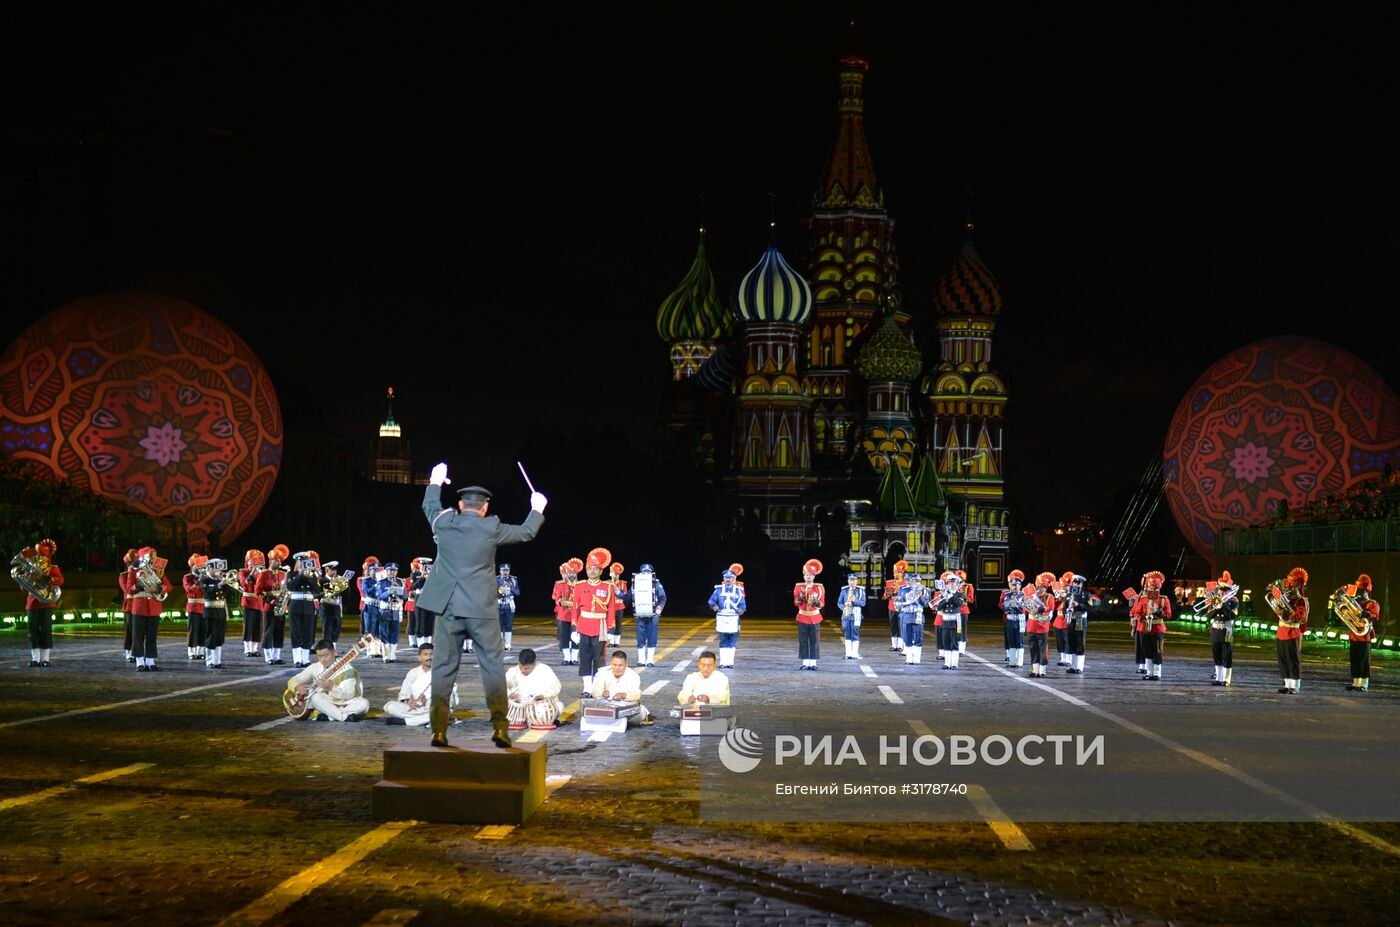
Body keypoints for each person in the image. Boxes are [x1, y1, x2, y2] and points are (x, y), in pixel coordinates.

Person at [419, 463, 546, 749]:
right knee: (492, 669)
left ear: (460, 504)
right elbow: (526, 533)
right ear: (485, 508)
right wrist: (537, 508)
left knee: (442, 669)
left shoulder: (445, 522)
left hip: (448, 608)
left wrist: (435, 481)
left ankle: (438, 731)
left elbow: (429, 504)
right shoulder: (491, 527)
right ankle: (500, 728)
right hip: (482, 610)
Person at [571, 548, 620, 693]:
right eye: (589, 568)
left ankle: (598, 687)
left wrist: (611, 630)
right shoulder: (579, 586)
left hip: (601, 626)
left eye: (595, 568)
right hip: (584, 625)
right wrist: (574, 629)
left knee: (599, 658)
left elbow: (611, 609)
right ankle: (587, 688)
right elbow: (575, 609)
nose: (592, 571)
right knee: (585, 657)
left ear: (600, 571)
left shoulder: (608, 587)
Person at [288, 639, 369, 722]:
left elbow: (349, 695)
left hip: (346, 703)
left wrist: (331, 687)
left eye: (326, 655)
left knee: (364, 703)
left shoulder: (347, 670)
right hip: (327, 701)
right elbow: (293, 680)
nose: (323, 660)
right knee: (316, 698)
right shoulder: (315, 667)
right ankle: (344, 717)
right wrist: (297, 686)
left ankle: (330, 716)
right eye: (319, 656)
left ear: (334, 652)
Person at [384, 643, 457, 726]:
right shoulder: (413, 673)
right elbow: (404, 693)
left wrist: (429, 699)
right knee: (390, 706)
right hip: (416, 708)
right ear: (419, 657)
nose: (429, 658)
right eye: (425, 655)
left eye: (431, 654)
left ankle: (406, 722)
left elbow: (449, 697)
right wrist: (408, 700)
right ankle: (427, 719)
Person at [126, 546, 171, 672]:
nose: (153, 559)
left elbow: (167, 585)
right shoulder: (133, 570)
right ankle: (140, 662)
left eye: (154, 556)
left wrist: (158, 589)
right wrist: (140, 585)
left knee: (152, 637)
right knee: (138, 636)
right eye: (151, 556)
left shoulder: (158, 570)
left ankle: (151, 661)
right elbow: (128, 589)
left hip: (154, 607)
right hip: (139, 606)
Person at [22, 538, 64, 668]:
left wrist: (46, 578)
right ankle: (36, 659)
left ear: (48, 557)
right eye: (39, 556)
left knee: (46, 631)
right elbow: (23, 587)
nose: (41, 559)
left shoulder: (52, 569)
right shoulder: (31, 569)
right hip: (33, 603)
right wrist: (26, 578)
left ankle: (45, 659)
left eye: (44, 556)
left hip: (46, 603)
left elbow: (60, 580)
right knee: (32, 631)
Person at [506, 648, 563, 730]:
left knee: (559, 706)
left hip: (540, 708)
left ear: (534, 664)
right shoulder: (513, 671)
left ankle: (546, 719)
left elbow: (556, 686)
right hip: (519, 708)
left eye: (526, 668)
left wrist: (544, 695)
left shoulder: (544, 670)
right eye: (521, 667)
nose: (523, 670)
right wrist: (510, 694)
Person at [590, 650, 652, 725]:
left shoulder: (633, 675)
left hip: (625, 708)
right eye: (615, 665)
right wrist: (602, 693)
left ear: (626, 664)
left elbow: (636, 695)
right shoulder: (602, 672)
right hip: (606, 706)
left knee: (639, 713)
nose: (617, 668)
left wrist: (624, 695)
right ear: (611, 664)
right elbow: (594, 691)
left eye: (620, 665)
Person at [1131, 570, 1171, 681]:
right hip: (1145, 628)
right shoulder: (1143, 599)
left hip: (1158, 629)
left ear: (1159, 589)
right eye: (1151, 588)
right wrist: (1142, 619)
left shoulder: (1164, 599)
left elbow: (1168, 615)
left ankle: (1157, 673)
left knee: (1157, 651)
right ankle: (1149, 672)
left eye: (1155, 589)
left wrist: (1158, 612)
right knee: (1147, 650)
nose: (1152, 590)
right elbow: (1138, 612)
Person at [1274, 567, 1309, 695]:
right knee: (1283, 659)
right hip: (1282, 631)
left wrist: (1287, 614)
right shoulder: (1287, 597)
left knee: (1293, 659)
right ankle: (1287, 684)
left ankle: (1295, 685)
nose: (1290, 587)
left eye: (1293, 584)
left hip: (1292, 631)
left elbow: (1301, 616)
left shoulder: (1301, 600)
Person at [1202, 569, 1239, 687]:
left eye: (1224, 590)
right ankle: (1219, 678)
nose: (1221, 592)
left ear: (1229, 590)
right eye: (1220, 590)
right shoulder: (1215, 601)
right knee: (1216, 655)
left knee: (1227, 656)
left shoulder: (1233, 601)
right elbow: (1207, 616)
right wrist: (1214, 606)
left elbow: (1232, 616)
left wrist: (1224, 606)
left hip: (1226, 631)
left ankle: (1226, 679)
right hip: (1215, 631)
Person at [286, 551, 324, 668]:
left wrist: (311, 578)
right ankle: (297, 659)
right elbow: (290, 587)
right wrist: (300, 574)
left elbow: (318, 591)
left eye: (305, 562)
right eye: (300, 562)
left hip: (308, 607)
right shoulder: (291, 574)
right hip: (295, 606)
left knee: (308, 633)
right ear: (297, 563)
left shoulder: (311, 576)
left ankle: (305, 658)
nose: (303, 564)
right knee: (295, 632)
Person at [198, 557, 236, 669]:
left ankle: (217, 661)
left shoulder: (219, 580)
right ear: (209, 568)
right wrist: (219, 585)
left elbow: (232, 592)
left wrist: (228, 582)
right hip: (210, 611)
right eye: (215, 568)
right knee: (211, 636)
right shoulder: (204, 580)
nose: (218, 571)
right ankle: (210, 661)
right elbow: (207, 592)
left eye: (219, 569)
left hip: (221, 612)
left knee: (220, 637)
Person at [255, 544, 290, 665]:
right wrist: (270, 601)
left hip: (280, 606)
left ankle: (277, 656)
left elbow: (285, 590)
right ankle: (268, 657)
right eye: (276, 560)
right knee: (268, 631)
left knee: (279, 632)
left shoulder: (282, 574)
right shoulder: (264, 574)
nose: (278, 562)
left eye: (280, 560)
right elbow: (258, 592)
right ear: (270, 561)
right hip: (268, 607)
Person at [628, 563, 667, 668]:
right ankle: (641, 660)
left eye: (648, 572)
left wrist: (659, 608)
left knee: (652, 637)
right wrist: (618, 593)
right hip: (640, 615)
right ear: (641, 573)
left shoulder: (656, 583)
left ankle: (649, 660)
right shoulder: (636, 583)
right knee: (640, 638)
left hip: (653, 616)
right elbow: (629, 597)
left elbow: (663, 598)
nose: (646, 573)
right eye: (644, 572)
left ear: (651, 573)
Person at [1347, 574, 1380, 692]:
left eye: (1363, 591)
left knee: (1364, 660)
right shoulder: (1355, 603)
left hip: (1365, 636)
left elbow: (1375, 616)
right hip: (1354, 635)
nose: (1360, 593)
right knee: (1354, 659)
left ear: (1367, 591)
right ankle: (1355, 682)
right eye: (1359, 590)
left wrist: (1367, 613)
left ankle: (1364, 684)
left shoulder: (1372, 603)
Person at [708, 568, 746, 669]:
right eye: (726, 578)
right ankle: (723, 662)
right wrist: (714, 606)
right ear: (723, 579)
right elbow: (711, 601)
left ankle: (730, 662)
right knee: (723, 640)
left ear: (734, 578)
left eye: (730, 578)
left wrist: (742, 609)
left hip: (734, 618)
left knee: (732, 641)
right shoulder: (718, 590)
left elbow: (743, 604)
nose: (728, 579)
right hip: (722, 618)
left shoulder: (738, 591)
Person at [794, 559, 825, 671]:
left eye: (810, 575)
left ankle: (813, 663)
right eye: (806, 575)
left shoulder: (819, 587)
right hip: (802, 617)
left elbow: (822, 603)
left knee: (814, 641)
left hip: (815, 617)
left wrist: (816, 601)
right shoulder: (798, 587)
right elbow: (796, 602)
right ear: (803, 576)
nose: (808, 577)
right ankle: (805, 662)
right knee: (803, 640)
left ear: (814, 577)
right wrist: (801, 597)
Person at [1024, 572, 1056, 678]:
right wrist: (1021, 600)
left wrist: (1039, 609)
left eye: (1042, 587)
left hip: (1042, 627)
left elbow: (1050, 607)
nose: (1040, 589)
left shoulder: (1049, 597)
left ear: (1046, 587)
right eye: (1038, 586)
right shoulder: (1030, 596)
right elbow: (1025, 609)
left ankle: (1042, 671)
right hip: (1031, 626)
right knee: (1033, 648)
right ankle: (1035, 670)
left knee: (1043, 650)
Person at [895, 571, 931, 664]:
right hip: (907, 615)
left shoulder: (924, 590)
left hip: (918, 616)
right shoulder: (903, 590)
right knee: (907, 637)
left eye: (918, 581)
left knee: (918, 638)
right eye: (914, 580)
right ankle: (909, 658)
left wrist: (919, 596)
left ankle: (916, 659)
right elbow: (897, 604)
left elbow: (926, 604)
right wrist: (904, 604)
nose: (916, 583)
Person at [932, 572, 967, 669]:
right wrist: (945, 598)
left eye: (953, 583)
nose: (951, 585)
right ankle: (947, 663)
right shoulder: (943, 595)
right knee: (946, 642)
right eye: (949, 583)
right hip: (946, 621)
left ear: (956, 584)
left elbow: (959, 604)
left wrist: (951, 596)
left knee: (954, 642)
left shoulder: (960, 594)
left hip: (956, 621)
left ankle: (954, 664)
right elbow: (938, 607)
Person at [377, 562, 408, 662]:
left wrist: (399, 590)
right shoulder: (381, 582)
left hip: (396, 610)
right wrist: (390, 590)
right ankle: (386, 656)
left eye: (394, 570)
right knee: (384, 633)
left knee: (394, 634)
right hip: (384, 610)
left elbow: (406, 597)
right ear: (386, 571)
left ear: (397, 572)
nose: (392, 572)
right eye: (390, 570)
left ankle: (392, 655)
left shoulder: (401, 582)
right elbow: (380, 596)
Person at [552, 560, 580, 665]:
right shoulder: (560, 585)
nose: (571, 575)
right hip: (564, 614)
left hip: (577, 615)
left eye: (573, 573)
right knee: (564, 637)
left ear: (576, 573)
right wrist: (562, 602)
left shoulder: (581, 585)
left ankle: (575, 658)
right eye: (569, 573)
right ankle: (566, 658)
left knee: (576, 637)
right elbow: (557, 598)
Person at [238, 549, 265, 659]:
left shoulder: (261, 572)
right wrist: (253, 571)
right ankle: (247, 649)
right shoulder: (243, 572)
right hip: (248, 602)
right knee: (248, 626)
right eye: (251, 561)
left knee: (258, 626)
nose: (253, 563)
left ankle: (254, 648)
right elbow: (244, 583)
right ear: (247, 562)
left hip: (258, 602)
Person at [1062, 574, 1091, 674]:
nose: (1075, 585)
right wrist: (1066, 612)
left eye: (1078, 583)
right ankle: (1073, 666)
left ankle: (1079, 667)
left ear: (1081, 584)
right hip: (1071, 618)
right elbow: (1063, 608)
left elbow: (1090, 608)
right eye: (1074, 582)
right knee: (1072, 642)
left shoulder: (1086, 594)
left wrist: (1079, 605)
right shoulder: (1069, 595)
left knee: (1079, 642)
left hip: (1079, 617)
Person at [182, 553, 207, 662]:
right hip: (193, 606)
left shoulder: (206, 577)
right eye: (196, 566)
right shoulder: (187, 577)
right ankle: (191, 651)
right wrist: (199, 580)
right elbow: (190, 589)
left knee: (203, 630)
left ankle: (200, 651)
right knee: (193, 630)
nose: (199, 568)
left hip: (204, 606)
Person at [1000, 569, 1027, 668]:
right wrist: (1011, 603)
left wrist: (1017, 602)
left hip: (1020, 620)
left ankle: (1019, 662)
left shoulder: (1024, 595)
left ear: (1020, 586)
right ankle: (1012, 661)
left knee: (1019, 640)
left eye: (1016, 585)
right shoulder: (1007, 595)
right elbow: (1004, 607)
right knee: (1011, 640)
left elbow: (1027, 608)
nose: (1014, 587)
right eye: (1012, 585)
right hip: (1010, 619)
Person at [837, 573, 866, 660]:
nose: (852, 581)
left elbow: (863, 603)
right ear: (848, 581)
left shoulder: (860, 590)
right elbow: (839, 602)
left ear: (856, 581)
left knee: (855, 633)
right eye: (850, 580)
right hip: (846, 615)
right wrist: (845, 608)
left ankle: (854, 653)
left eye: (854, 580)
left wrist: (855, 600)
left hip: (856, 614)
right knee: (847, 633)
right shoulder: (844, 590)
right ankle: (848, 653)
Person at [358, 556, 381, 657]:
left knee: (378, 628)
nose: (375, 572)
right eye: (373, 570)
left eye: (377, 570)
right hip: (370, 606)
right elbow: (366, 592)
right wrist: (376, 585)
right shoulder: (366, 580)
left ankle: (377, 650)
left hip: (379, 606)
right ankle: (370, 649)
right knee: (369, 628)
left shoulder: (382, 580)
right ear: (370, 571)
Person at [319, 560, 347, 645]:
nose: (334, 572)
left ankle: (333, 650)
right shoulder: (322, 580)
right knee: (327, 629)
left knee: (336, 628)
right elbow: (323, 593)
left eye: (335, 570)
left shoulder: (339, 580)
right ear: (327, 570)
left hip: (336, 606)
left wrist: (345, 584)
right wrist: (337, 586)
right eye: (332, 570)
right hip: (326, 606)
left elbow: (346, 593)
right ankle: (327, 649)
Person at [884, 559, 907, 653]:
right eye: (895, 572)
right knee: (893, 626)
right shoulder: (889, 582)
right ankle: (894, 645)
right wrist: (890, 593)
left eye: (898, 572)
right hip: (892, 607)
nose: (896, 574)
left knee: (901, 626)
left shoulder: (906, 583)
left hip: (902, 608)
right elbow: (885, 596)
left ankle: (901, 645)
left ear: (902, 573)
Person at [119, 548, 138, 663]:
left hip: (140, 605)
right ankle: (128, 652)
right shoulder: (123, 576)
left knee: (138, 631)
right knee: (129, 630)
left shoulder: (140, 573)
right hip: (130, 605)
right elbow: (128, 590)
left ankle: (137, 652)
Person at [497, 563, 520, 651]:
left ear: (509, 571)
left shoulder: (513, 580)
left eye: (507, 570)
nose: (505, 572)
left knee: (508, 625)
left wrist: (511, 588)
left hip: (509, 605)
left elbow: (518, 593)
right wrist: (499, 592)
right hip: (499, 604)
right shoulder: (497, 580)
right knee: (498, 626)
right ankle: (499, 645)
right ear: (500, 571)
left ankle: (507, 645)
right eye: (503, 570)